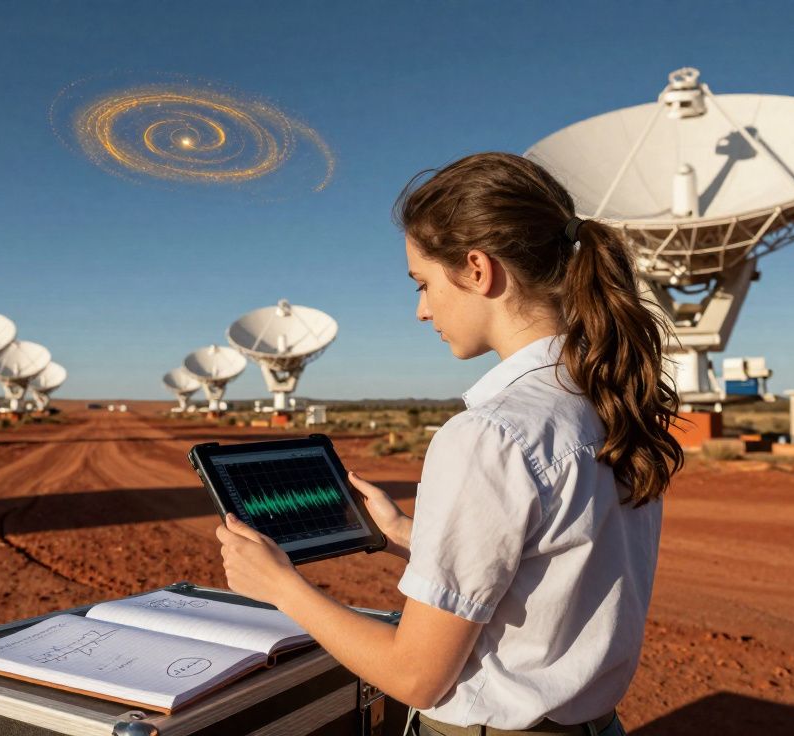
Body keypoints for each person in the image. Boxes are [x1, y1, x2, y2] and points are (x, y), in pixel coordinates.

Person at [215, 152, 684, 736]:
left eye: (424, 283)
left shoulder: (490, 434)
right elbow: (549, 571)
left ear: (477, 269)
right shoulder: (609, 399)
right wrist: (412, 538)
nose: (421, 310)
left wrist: (279, 585)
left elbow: (415, 677)